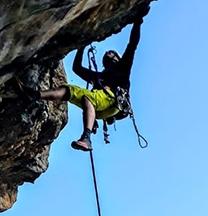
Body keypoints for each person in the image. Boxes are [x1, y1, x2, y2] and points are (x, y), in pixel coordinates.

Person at [15, 13, 145, 152]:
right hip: (100, 109)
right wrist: (81, 47)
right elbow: (76, 68)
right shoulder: (98, 77)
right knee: (69, 90)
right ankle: (34, 95)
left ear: (117, 59)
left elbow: (132, 44)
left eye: (112, 53)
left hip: (112, 101)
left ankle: (86, 138)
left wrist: (138, 22)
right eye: (107, 53)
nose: (108, 53)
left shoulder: (123, 68)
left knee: (88, 97)